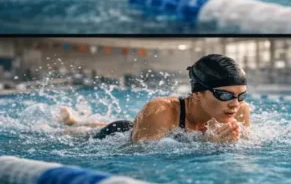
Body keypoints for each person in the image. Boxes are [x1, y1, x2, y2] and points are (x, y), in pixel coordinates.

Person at [59, 54, 250, 143]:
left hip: (149, 128)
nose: (234, 104)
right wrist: (207, 144)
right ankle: (74, 124)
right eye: (224, 95)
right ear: (197, 94)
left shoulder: (240, 110)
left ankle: (76, 120)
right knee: (82, 134)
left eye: (240, 95)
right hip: (120, 132)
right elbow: (136, 154)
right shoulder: (161, 110)